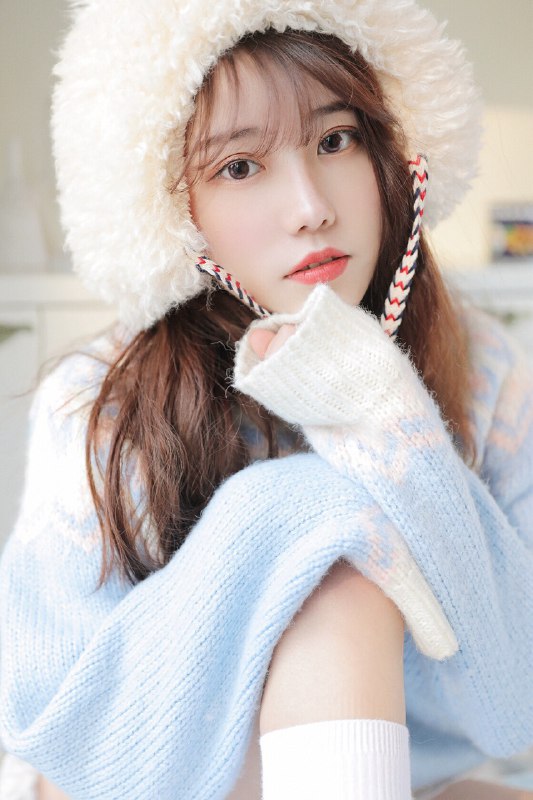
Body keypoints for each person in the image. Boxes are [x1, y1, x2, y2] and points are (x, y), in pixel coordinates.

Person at [0, 1, 532, 799]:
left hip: (387, 775)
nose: (310, 206)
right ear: (172, 212)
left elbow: (513, 706)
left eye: (335, 140)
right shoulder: (100, 400)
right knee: (337, 577)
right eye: (239, 167)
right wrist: (306, 507)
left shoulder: (482, 366)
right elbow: (63, 747)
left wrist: (389, 417)